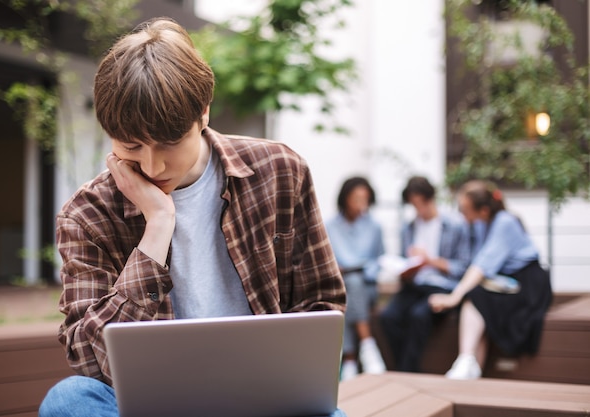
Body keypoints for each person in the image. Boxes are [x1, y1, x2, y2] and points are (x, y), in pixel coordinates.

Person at [39, 17, 347, 417]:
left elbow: (321, 303)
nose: (152, 165)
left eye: (169, 143)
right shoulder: (87, 214)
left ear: (203, 113)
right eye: (131, 145)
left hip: (265, 400)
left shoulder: (280, 170)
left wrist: (282, 378)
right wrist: (157, 229)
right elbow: (86, 357)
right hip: (153, 406)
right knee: (67, 401)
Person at [429, 180, 553, 380]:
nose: (462, 214)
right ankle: (470, 366)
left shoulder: (505, 222)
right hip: (503, 282)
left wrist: (454, 297)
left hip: (527, 284)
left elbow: (481, 266)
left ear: (484, 210)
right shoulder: (481, 224)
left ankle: (466, 360)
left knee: (476, 297)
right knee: (481, 302)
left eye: (465, 209)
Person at [379, 175, 471, 372]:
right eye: (414, 205)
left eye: (421, 203)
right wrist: (404, 269)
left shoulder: (454, 225)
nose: (418, 209)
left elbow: (462, 267)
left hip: (442, 286)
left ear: (431, 199)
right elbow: (405, 262)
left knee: (418, 316)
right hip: (414, 285)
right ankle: (404, 369)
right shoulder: (409, 228)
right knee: (388, 316)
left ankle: (406, 372)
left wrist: (430, 261)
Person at [325, 177, 386, 381]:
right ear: (345, 198)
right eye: (357, 198)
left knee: (354, 282)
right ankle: (367, 345)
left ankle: (350, 359)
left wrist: (361, 269)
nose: (362, 203)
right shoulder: (330, 226)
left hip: (366, 287)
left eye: (366, 199)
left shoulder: (374, 227)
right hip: (340, 285)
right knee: (348, 286)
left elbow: (378, 261)